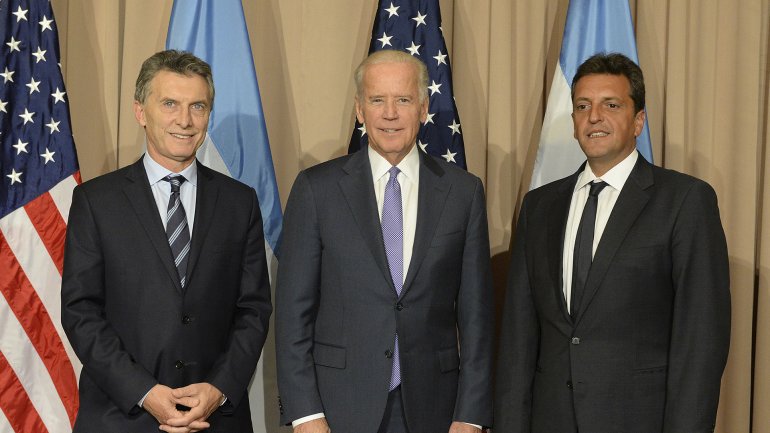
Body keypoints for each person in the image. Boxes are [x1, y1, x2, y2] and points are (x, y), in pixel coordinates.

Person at [494, 52, 731, 432]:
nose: (594, 117)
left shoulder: (684, 201)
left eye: (611, 105)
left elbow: (701, 341)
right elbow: (518, 339)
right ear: (573, 123)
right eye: (582, 106)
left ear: (638, 121)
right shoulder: (539, 206)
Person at [275, 49, 494, 433]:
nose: (389, 114)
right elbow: (293, 314)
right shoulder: (316, 190)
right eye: (377, 100)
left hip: (436, 411)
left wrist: (471, 415)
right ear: (360, 109)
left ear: (423, 108)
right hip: (337, 409)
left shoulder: (463, 192)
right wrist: (305, 414)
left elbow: (476, 318)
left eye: (403, 100)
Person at [61, 50, 272, 432]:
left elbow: (253, 310)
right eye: (170, 104)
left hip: (215, 418)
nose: (185, 120)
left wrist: (219, 388)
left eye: (197, 106)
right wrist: (143, 392)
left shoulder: (239, 203)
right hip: (122, 417)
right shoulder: (96, 201)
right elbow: (81, 311)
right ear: (141, 112)